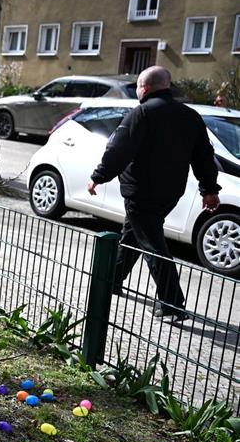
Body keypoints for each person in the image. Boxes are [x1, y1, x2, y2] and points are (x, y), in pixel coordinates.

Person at [87, 66, 220, 322]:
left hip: (140, 192)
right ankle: (111, 280)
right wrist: (209, 190)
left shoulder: (142, 113)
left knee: (152, 245)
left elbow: (118, 149)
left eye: (138, 87)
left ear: (144, 88)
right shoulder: (190, 116)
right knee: (133, 235)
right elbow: (204, 157)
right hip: (170, 193)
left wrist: (98, 177)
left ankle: (172, 304)